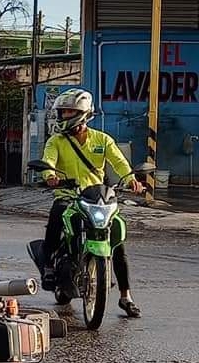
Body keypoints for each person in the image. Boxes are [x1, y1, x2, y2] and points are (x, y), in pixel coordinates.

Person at [40, 88, 144, 318]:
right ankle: (48, 265)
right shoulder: (55, 141)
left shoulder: (102, 139)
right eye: (63, 111)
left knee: (117, 239)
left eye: (68, 112)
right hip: (68, 195)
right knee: (57, 216)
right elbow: (48, 162)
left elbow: (119, 162)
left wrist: (131, 179)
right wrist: (50, 176)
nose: (63, 116)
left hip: (98, 197)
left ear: (82, 114)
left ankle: (126, 296)